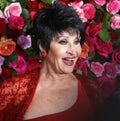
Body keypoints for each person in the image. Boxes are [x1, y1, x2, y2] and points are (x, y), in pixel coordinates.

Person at [0, 2, 104, 121]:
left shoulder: (90, 88)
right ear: (43, 46)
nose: (73, 51)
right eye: (63, 42)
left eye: (76, 42)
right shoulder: (14, 92)